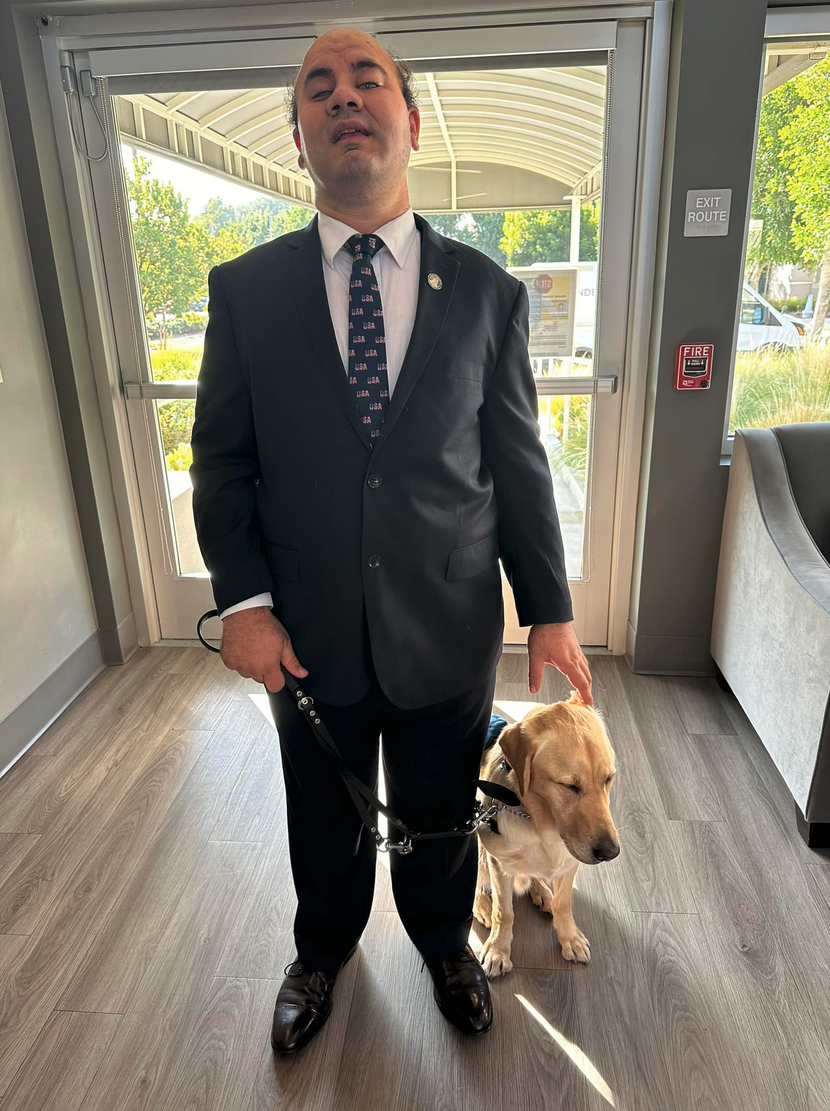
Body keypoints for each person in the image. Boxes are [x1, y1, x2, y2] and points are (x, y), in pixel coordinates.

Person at [189, 26, 593, 1055]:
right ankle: (320, 951)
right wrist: (242, 604)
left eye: (367, 81)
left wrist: (545, 607)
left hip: (447, 625)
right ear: (299, 139)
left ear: (407, 124)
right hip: (304, 635)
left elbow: (515, 463)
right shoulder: (246, 292)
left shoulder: (489, 294)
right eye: (318, 89)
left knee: (438, 812)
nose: (344, 98)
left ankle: (443, 944)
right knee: (320, 817)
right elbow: (222, 460)